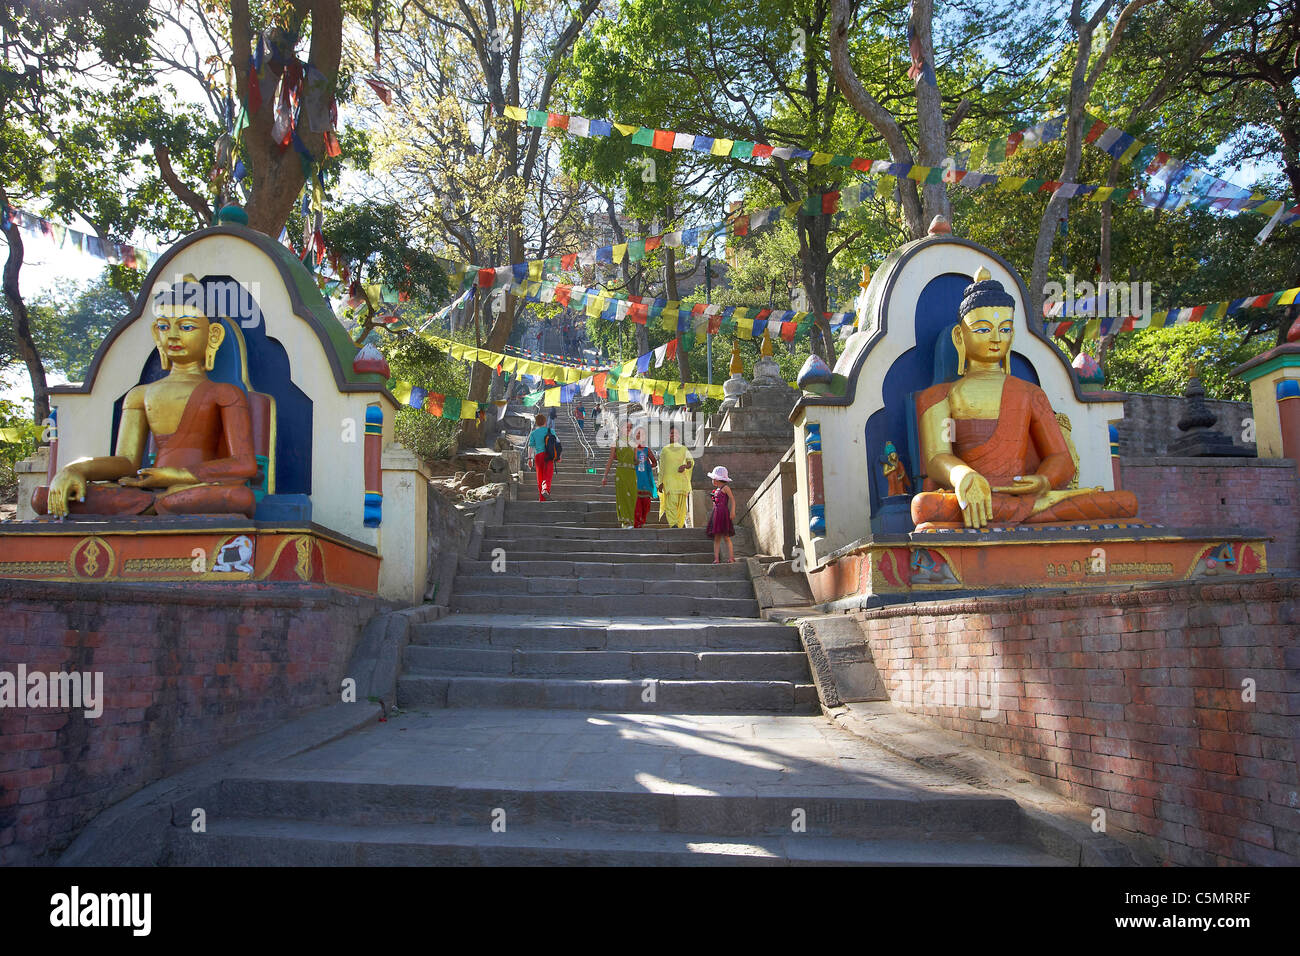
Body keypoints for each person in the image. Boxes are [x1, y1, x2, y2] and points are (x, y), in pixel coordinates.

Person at [657, 425, 694, 528]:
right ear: (669, 435)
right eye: (672, 433)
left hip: (681, 481)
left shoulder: (683, 449)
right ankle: (673, 524)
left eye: (676, 433)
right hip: (669, 481)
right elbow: (662, 467)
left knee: (681, 507)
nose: (674, 435)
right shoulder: (665, 450)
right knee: (671, 504)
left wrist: (685, 466)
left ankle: (680, 524)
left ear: (679, 436)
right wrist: (660, 483)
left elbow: (691, 462)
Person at [601, 421, 636, 528]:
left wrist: (641, 460)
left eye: (630, 427)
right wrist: (605, 476)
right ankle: (625, 522)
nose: (629, 429)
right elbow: (611, 459)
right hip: (621, 473)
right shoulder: (615, 442)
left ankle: (632, 521)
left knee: (633, 497)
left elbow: (635, 460)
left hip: (632, 473)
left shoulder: (634, 442)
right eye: (627, 427)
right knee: (623, 497)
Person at [706, 465, 736, 563]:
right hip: (717, 514)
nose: (712, 480)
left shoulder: (725, 488)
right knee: (717, 537)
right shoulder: (716, 491)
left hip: (723, 513)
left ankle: (731, 557)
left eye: (713, 478)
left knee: (726, 537)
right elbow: (715, 503)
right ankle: (716, 558)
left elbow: (732, 499)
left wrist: (732, 510)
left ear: (716, 479)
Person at [631, 427, 658, 528]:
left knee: (646, 503)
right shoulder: (632, 450)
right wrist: (634, 463)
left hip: (645, 479)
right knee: (636, 502)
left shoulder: (647, 450)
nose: (639, 436)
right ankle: (636, 523)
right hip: (635, 478)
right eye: (637, 434)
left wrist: (647, 465)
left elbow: (654, 463)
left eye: (641, 434)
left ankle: (642, 521)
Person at [527, 413, 556, 501]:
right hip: (549, 455)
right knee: (548, 475)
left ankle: (542, 498)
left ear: (536, 423)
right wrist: (558, 456)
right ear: (545, 421)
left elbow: (530, 446)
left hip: (538, 456)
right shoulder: (551, 431)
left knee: (540, 477)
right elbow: (557, 444)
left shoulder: (534, 433)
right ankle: (545, 489)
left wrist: (529, 459)